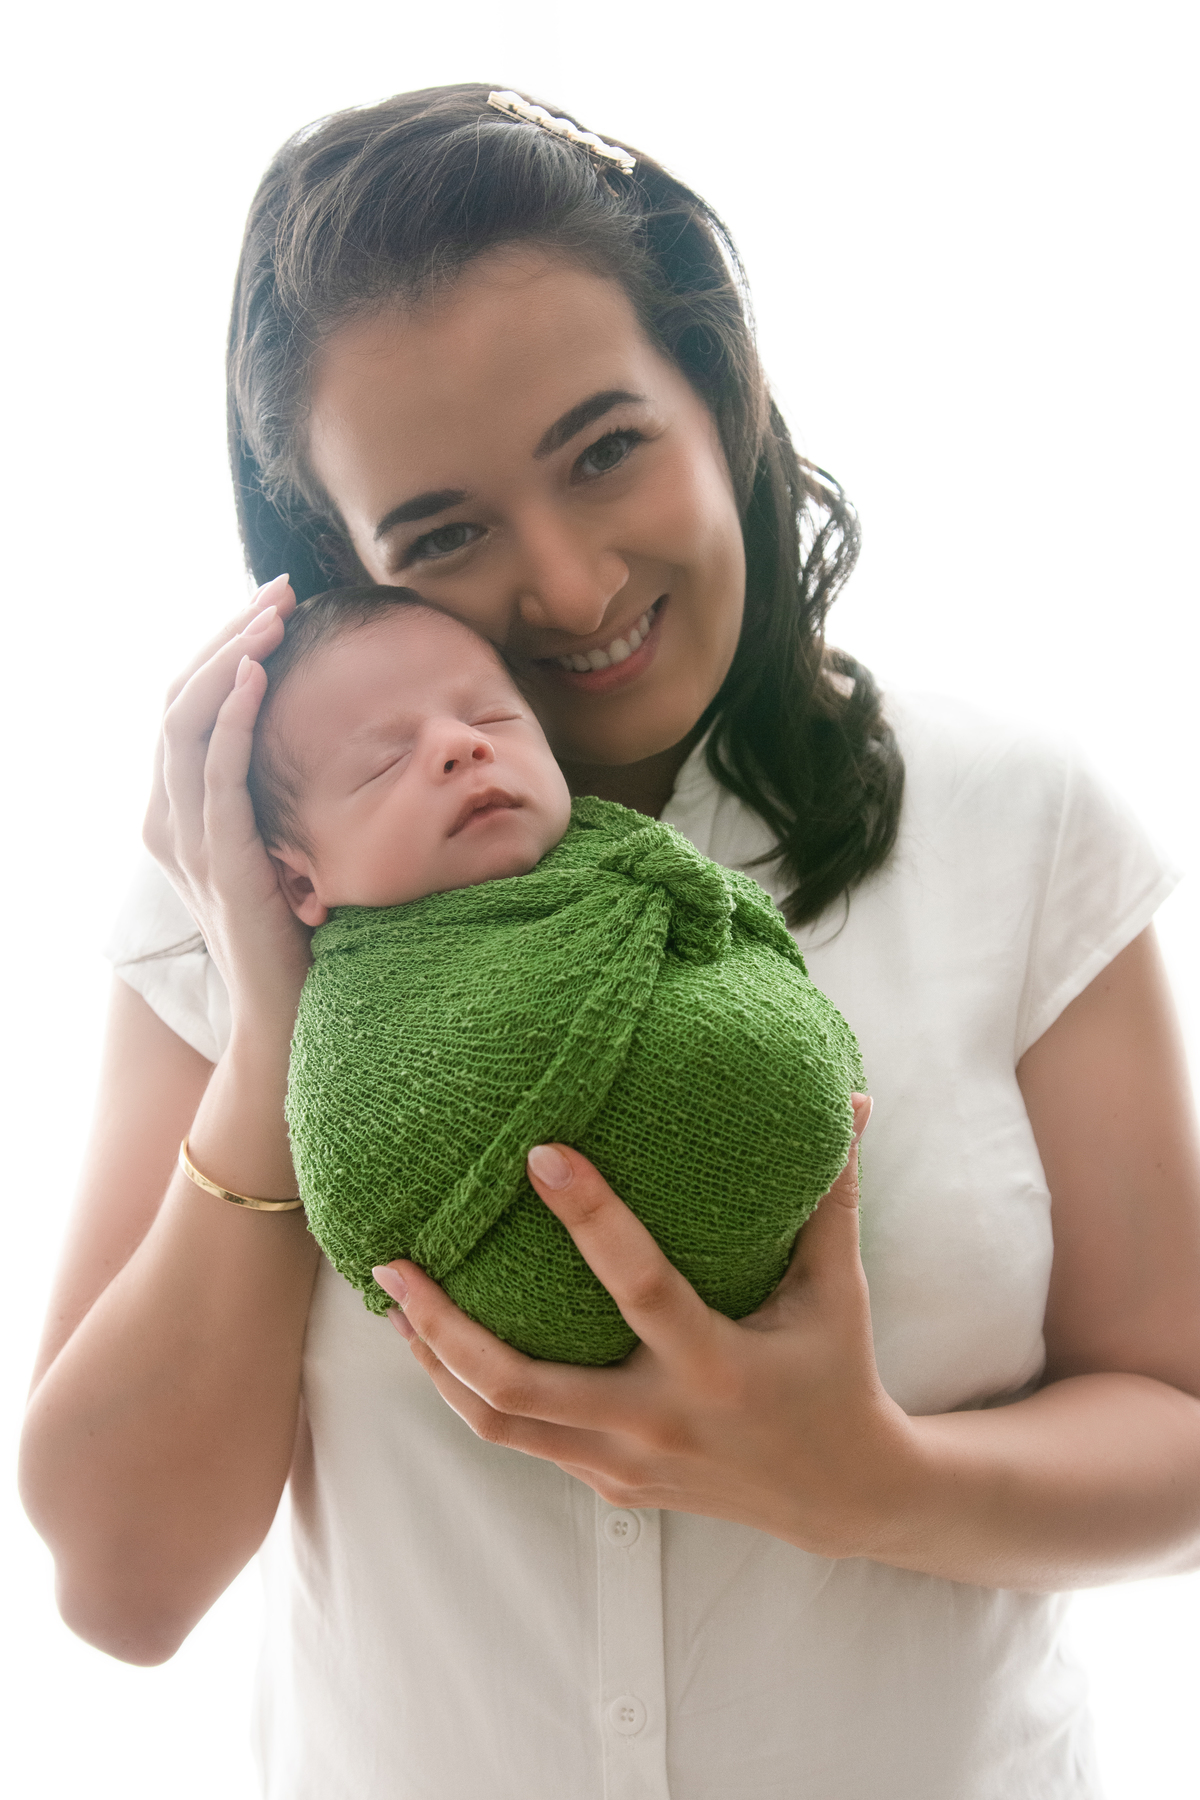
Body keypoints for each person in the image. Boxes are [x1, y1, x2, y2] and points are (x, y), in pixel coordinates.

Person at [17, 82, 1200, 1800]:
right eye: (442, 534)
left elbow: (1182, 1424)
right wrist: (277, 1028)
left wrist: (865, 1481)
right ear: (334, 564)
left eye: (605, 449)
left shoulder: (1013, 821)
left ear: (720, 394)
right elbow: (122, 1592)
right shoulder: (236, 897)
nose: (571, 589)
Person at [247, 582, 861, 1363]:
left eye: (491, 718)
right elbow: (356, 1179)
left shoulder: (622, 858)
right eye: (385, 762)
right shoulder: (358, 1018)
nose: (461, 745)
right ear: (301, 882)